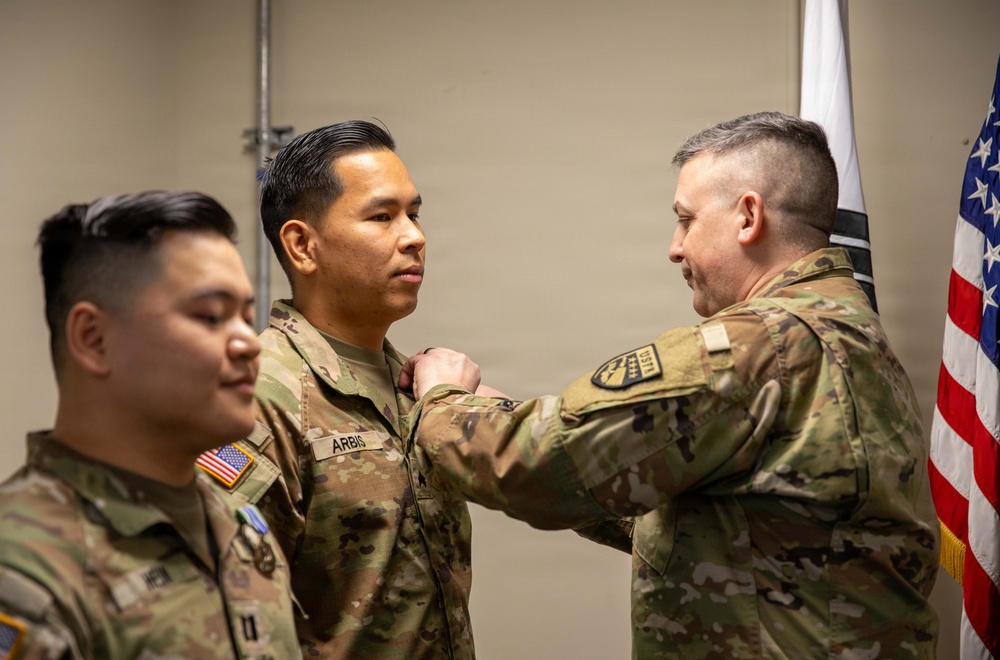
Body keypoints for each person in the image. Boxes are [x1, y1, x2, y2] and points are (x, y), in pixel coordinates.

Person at [401, 112, 940, 658]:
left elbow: (543, 467)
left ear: (748, 216)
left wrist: (444, 400)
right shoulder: (853, 333)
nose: (675, 247)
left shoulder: (755, 347)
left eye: (686, 220)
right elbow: (733, 525)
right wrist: (504, 412)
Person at [202, 121, 475, 658]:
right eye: (382, 216)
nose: (415, 236)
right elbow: (226, 615)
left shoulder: (425, 386)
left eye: (414, 214)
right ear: (303, 245)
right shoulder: (259, 397)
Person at [0, 191, 300, 659]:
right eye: (211, 316)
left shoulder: (236, 522)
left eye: (246, 316)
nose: (249, 343)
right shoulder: (25, 566)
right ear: (94, 339)